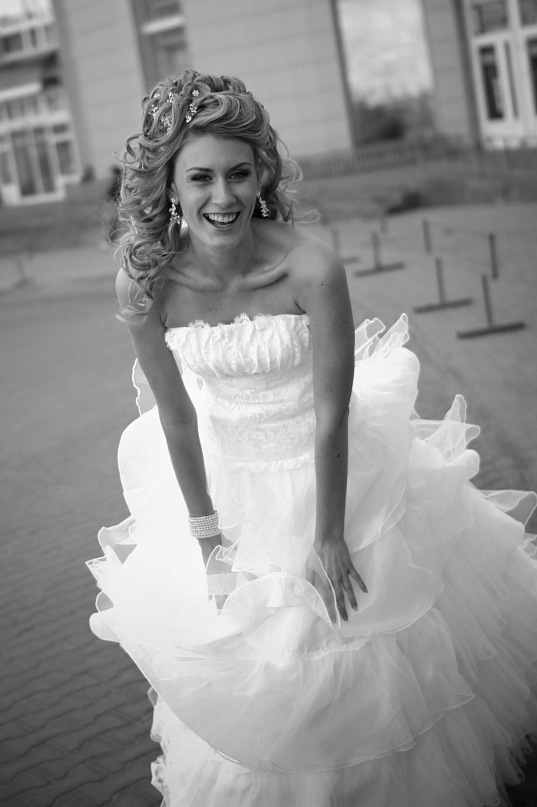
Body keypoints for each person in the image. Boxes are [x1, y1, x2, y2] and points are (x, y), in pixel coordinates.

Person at [87, 69, 537, 806]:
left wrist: (329, 535)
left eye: (238, 173)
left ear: (261, 174)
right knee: (254, 662)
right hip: (227, 479)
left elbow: (332, 410)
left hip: (330, 468)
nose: (223, 196)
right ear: (168, 186)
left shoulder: (311, 266)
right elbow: (176, 417)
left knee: (353, 643)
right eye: (200, 177)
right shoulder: (145, 284)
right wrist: (207, 538)